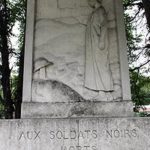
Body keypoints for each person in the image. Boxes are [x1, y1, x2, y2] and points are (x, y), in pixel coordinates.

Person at [84, 0, 114, 100]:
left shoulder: (100, 11)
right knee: (96, 67)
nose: (88, 2)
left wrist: (101, 40)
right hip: (94, 43)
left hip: (99, 44)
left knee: (101, 66)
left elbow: (104, 26)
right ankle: (101, 91)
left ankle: (105, 92)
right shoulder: (95, 12)